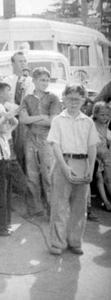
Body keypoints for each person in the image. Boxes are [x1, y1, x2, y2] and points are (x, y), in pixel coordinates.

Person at [47, 85, 100, 256]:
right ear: (64, 99)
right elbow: (55, 145)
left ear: (84, 100)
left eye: (77, 99)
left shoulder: (88, 122)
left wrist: (90, 169)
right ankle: (57, 243)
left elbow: (92, 146)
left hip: (82, 164)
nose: (73, 102)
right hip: (64, 162)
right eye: (70, 99)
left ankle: (75, 241)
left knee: (79, 207)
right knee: (59, 206)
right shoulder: (58, 120)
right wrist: (64, 167)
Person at [19, 67, 61, 218]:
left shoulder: (53, 98)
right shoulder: (27, 98)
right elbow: (22, 119)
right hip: (30, 138)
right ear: (34, 80)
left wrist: (35, 119)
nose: (45, 83)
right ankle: (35, 208)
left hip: (46, 139)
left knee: (49, 174)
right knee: (31, 174)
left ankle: (52, 210)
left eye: (47, 80)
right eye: (42, 80)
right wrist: (42, 117)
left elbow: (53, 121)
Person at [4, 50, 35, 168]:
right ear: (13, 64)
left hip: (24, 120)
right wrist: (16, 108)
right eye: (19, 61)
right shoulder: (7, 81)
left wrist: (20, 109)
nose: (23, 64)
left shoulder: (31, 82)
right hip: (11, 119)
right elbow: (4, 101)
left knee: (23, 149)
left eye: (24, 61)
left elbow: (29, 101)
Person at [92, 101, 111, 212]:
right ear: (95, 114)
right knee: (99, 177)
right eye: (102, 115)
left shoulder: (107, 126)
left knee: (108, 179)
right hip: (95, 156)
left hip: (107, 157)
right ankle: (106, 202)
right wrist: (95, 158)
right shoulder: (92, 125)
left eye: (107, 115)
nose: (105, 117)